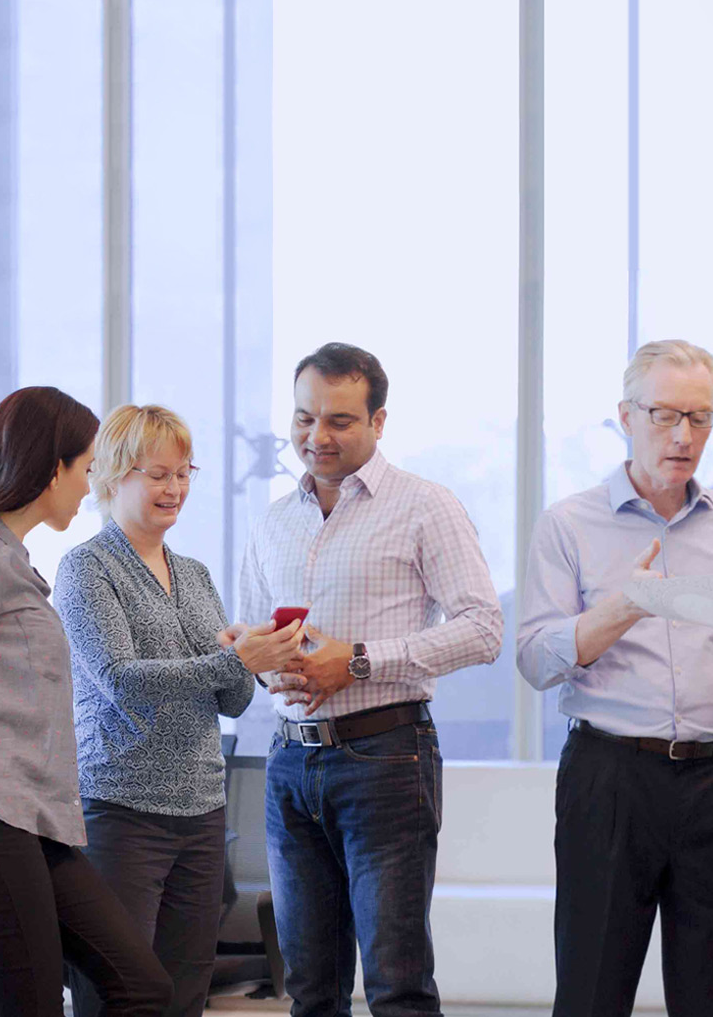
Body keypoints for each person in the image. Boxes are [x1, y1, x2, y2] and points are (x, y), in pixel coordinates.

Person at [235, 342, 503, 1017]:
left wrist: (356, 660)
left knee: (396, 984)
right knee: (308, 989)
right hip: (289, 762)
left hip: (385, 758)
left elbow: (483, 629)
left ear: (378, 422)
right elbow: (254, 640)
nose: (316, 437)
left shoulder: (424, 506)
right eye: (304, 418)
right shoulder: (272, 521)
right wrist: (263, 660)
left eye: (340, 420)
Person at [518, 339, 713, 1017]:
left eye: (700, 417)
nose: (683, 435)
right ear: (626, 416)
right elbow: (535, 661)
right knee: (592, 992)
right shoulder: (569, 523)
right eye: (665, 415)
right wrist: (622, 609)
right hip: (610, 777)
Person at [0, 386, 172, 1017]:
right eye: (86, 469)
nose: (90, 487)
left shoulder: (9, 559)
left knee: (143, 986)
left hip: (33, 818)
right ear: (54, 469)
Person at [52, 404, 297, 1017]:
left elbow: (233, 700)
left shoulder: (195, 574)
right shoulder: (86, 568)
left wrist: (247, 657)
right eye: (159, 474)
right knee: (116, 990)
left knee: (186, 991)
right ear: (113, 476)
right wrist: (231, 660)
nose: (175, 489)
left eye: (184, 473)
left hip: (202, 810)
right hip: (121, 810)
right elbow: (121, 681)